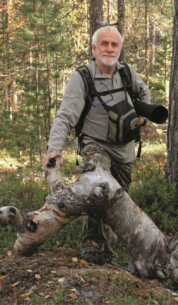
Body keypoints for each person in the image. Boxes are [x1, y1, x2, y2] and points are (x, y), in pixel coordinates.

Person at [42, 26, 151, 265]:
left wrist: (142, 118)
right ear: (94, 48)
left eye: (114, 44)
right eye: (104, 44)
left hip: (125, 150)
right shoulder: (82, 77)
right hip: (95, 146)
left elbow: (145, 95)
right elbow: (65, 115)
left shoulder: (127, 73)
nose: (109, 48)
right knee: (97, 187)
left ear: (120, 49)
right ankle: (92, 248)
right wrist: (54, 147)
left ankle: (107, 253)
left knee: (117, 201)